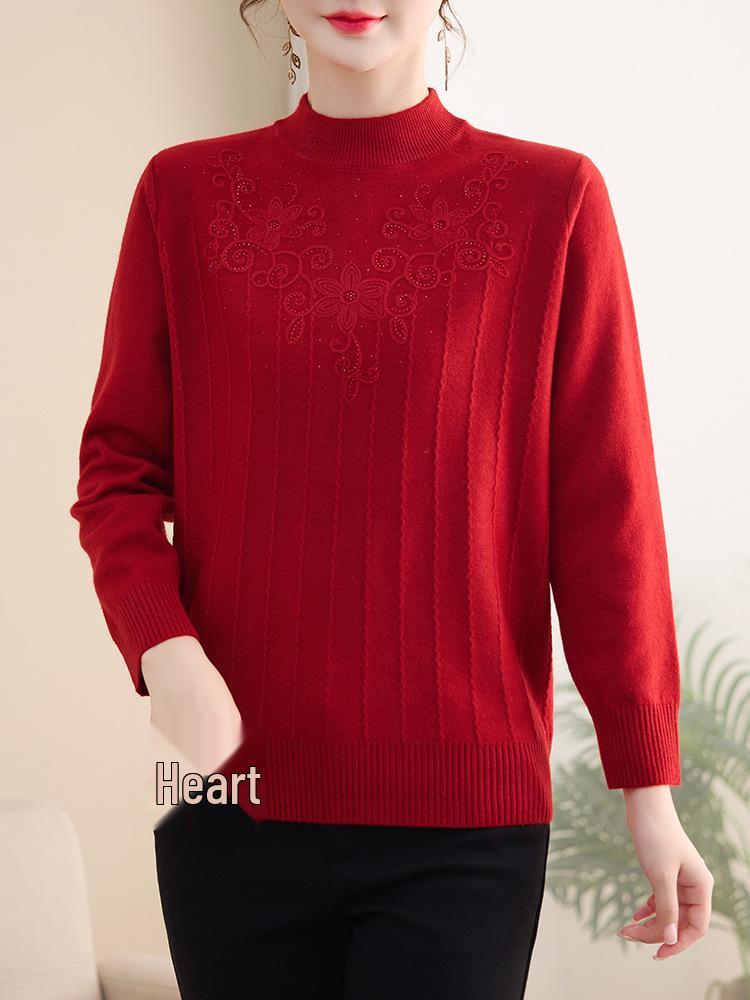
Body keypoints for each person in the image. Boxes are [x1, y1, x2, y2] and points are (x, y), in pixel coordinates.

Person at [69, 1, 714, 997]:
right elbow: (117, 467)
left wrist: (649, 788)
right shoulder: (183, 195)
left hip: (467, 827)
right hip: (233, 804)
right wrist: (165, 645)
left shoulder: (554, 201)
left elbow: (606, 511)